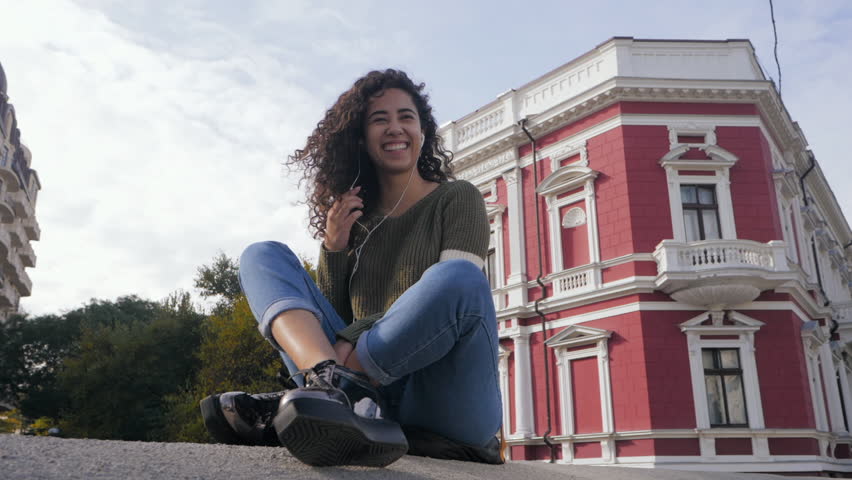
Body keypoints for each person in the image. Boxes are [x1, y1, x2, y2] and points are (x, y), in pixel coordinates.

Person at [200, 69, 503, 467]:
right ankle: (330, 386)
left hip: (446, 405)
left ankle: (333, 391)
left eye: (406, 117)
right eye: (380, 119)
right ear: (361, 137)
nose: (395, 128)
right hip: (372, 400)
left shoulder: (456, 198)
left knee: (458, 278)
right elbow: (332, 326)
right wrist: (334, 249)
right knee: (262, 254)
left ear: (423, 131)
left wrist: (355, 336)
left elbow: (456, 301)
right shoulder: (357, 220)